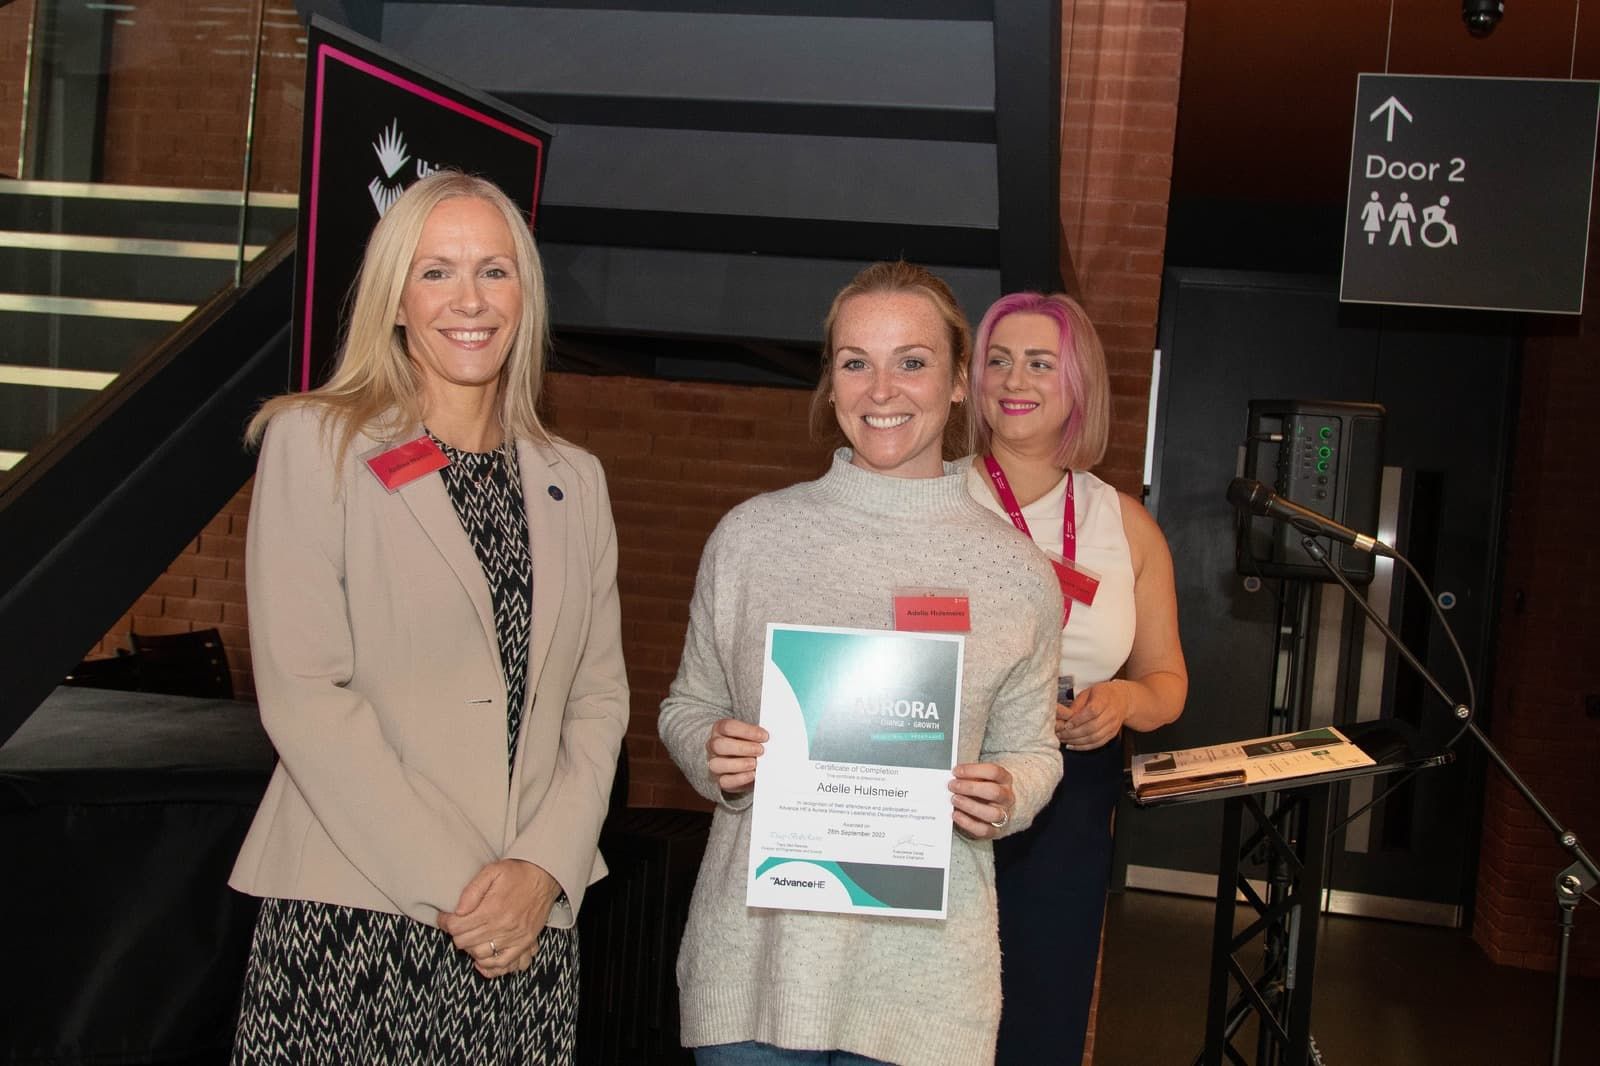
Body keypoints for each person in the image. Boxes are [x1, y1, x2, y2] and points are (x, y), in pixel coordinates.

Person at [228, 171, 629, 1063]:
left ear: (525, 296)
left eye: (495, 270)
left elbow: (598, 706)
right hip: (356, 913)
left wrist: (540, 873)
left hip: (528, 929)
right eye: (437, 271)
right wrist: (471, 890)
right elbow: (304, 694)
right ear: (395, 299)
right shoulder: (314, 443)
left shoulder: (577, 480)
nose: (470, 300)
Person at [658, 262, 1065, 1066]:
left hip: (922, 988)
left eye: (912, 362)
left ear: (957, 383)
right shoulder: (750, 537)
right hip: (756, 970)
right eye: (855, 362)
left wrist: (1009, 791)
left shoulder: (1016, 572)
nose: (882, 390)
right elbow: (687, 703)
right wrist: (711, 749)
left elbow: (1034, 750)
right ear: (830, 380)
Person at [964, 292, 1188, 1065]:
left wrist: (1124, 700)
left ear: (1077, 384)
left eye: (1038, 361)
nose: (1013, 378)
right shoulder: (929, 497)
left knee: (1042, 1006)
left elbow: (1167, 682)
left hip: (1070, 793)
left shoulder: (1125, 524)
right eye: (997, 359)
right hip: (944, 775)